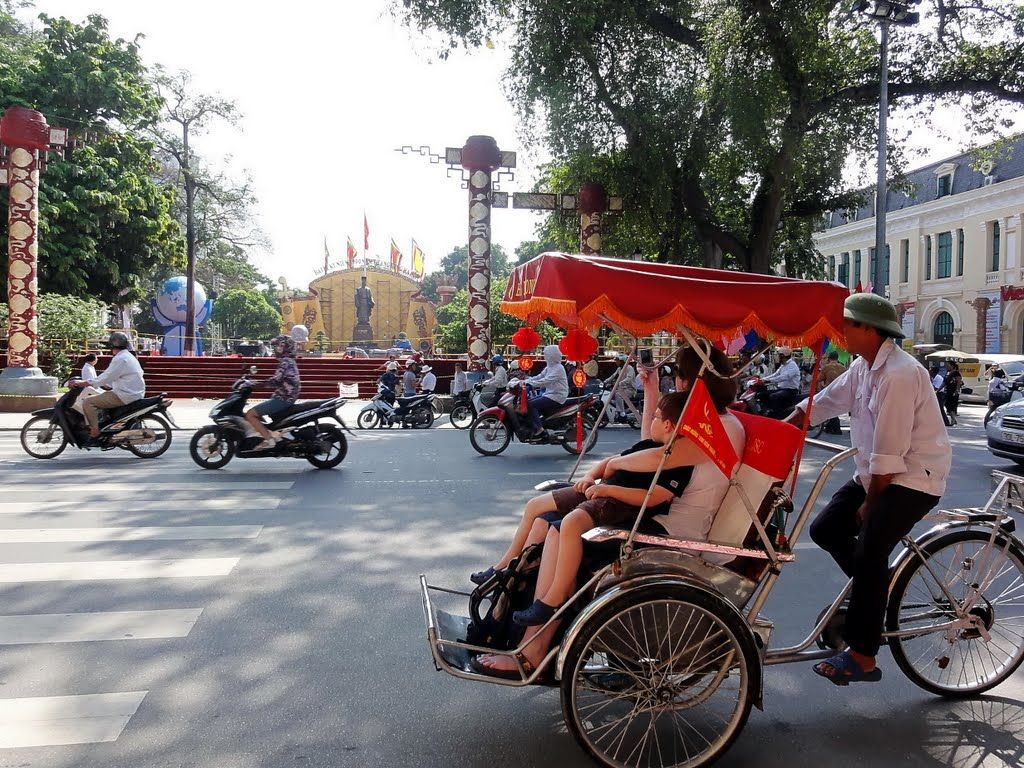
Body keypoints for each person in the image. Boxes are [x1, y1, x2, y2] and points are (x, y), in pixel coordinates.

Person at [474, 343, 745, 677]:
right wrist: (651, 391)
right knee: (545, 523)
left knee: (561, 533)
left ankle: (535, 654)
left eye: (681, 377)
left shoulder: (723, 428)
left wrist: (610, 464)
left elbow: (662, 458)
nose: (678, 384)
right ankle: (504, 629)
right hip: (650, 513)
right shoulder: (703, 419)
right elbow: (653, 440)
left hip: (669, 529)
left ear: (694, 381)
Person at [785, 293, 951, 686]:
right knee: (825, 529)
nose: (841, 333)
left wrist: (869, 507)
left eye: (848, 325)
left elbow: (889, 455)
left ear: (869, 329)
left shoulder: (899, 374)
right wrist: (788, 421)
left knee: (869, 547)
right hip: (876, 472)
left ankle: (862, 655)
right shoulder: (863, 367)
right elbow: (827, 400)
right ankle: (876, 591)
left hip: (913, 476)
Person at [70, 332, 145, 441]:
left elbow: (106, 377)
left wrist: (83, 383)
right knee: (101, 397)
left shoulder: (120, 359)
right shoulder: (128, 356)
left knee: (88, 402)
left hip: (124, 395)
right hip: (131, 392)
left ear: (112, 346)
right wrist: (104, 384)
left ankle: (95, 431)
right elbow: (112, 377)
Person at [244, 335, 301, 451]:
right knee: (258, 414)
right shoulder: (289, 361)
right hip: (285, 398)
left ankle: (269, 440)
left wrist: (254, 384)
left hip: (283, 400)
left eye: (277, 346)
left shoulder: (285, 362)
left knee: (250, 414)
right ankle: (266, 435)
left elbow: (275, 381)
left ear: (283, 347)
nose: (275, 349)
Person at [523, 345, 569, 438]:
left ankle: (539, 428)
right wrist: (525, 381)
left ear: (552, 355)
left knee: (531, 405)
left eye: (547, 354)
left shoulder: (558, 368)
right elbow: (540, 376)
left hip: (557, 395)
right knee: (529, 402)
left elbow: (547, 380)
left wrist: (531, 384)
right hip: (549, 394)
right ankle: (537, 424)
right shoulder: (549, 367)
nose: (545, 356)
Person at [761, 345, 800, 413]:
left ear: (783, 356)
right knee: (762, 394)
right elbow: (775, 374)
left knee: (774, 396)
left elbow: (783, 377)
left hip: (790, 391)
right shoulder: (783, 365)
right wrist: (763, 379)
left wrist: (768, 380)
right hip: (781, 389)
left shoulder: (792, 365)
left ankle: (777, 415)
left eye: (779, 355)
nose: (778, 357)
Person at [819, 351, 846, 435]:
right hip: (840, 391)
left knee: (830, 409)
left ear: (829, 358)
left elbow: (819, 378)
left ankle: (836, 429)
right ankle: (829, 427)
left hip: (829, 391)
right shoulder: (843, 367)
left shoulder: (827, 367)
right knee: (832, 409)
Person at [944, 362, 962, 427]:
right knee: (947, 405)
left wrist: (957, 390)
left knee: (951, 405)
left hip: (953, 391)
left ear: (952, 366)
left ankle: (953, 419)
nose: (947, 367)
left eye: (948, 365)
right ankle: (953, 419)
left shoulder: (956, 373)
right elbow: (945, 382)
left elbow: (959, 381)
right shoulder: (948, 373)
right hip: (948, 391)